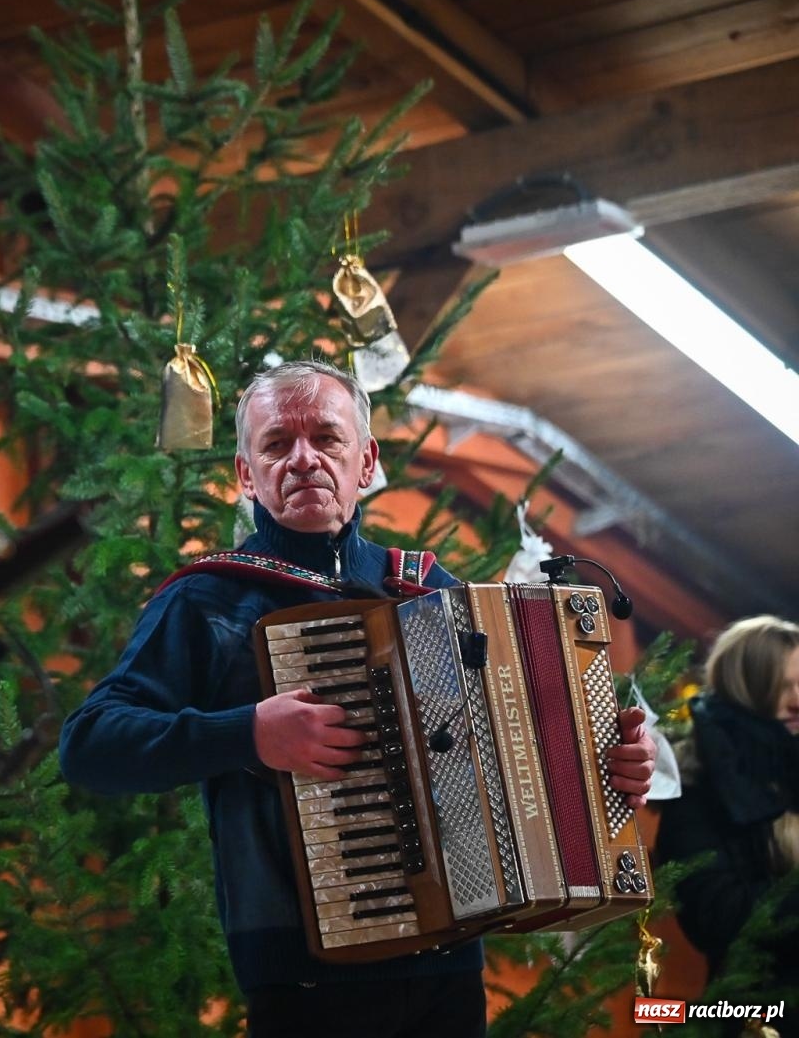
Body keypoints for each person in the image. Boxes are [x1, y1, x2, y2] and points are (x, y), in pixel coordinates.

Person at [57, 359, 658, 1037]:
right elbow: (89, 743)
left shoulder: (428, 590)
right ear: (246, 475)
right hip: (304, 974)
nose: (303, 459)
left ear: (366, 461)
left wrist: (608, 767)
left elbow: (521, 742)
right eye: (277, 444)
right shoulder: (209, 600)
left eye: (326, 438)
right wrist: (248, 733)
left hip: (450, 965)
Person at [653, 616, 798, 994]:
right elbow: (716, 916)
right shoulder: (700, 790)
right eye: (781, 687)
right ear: (746, 688)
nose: (798, 701)